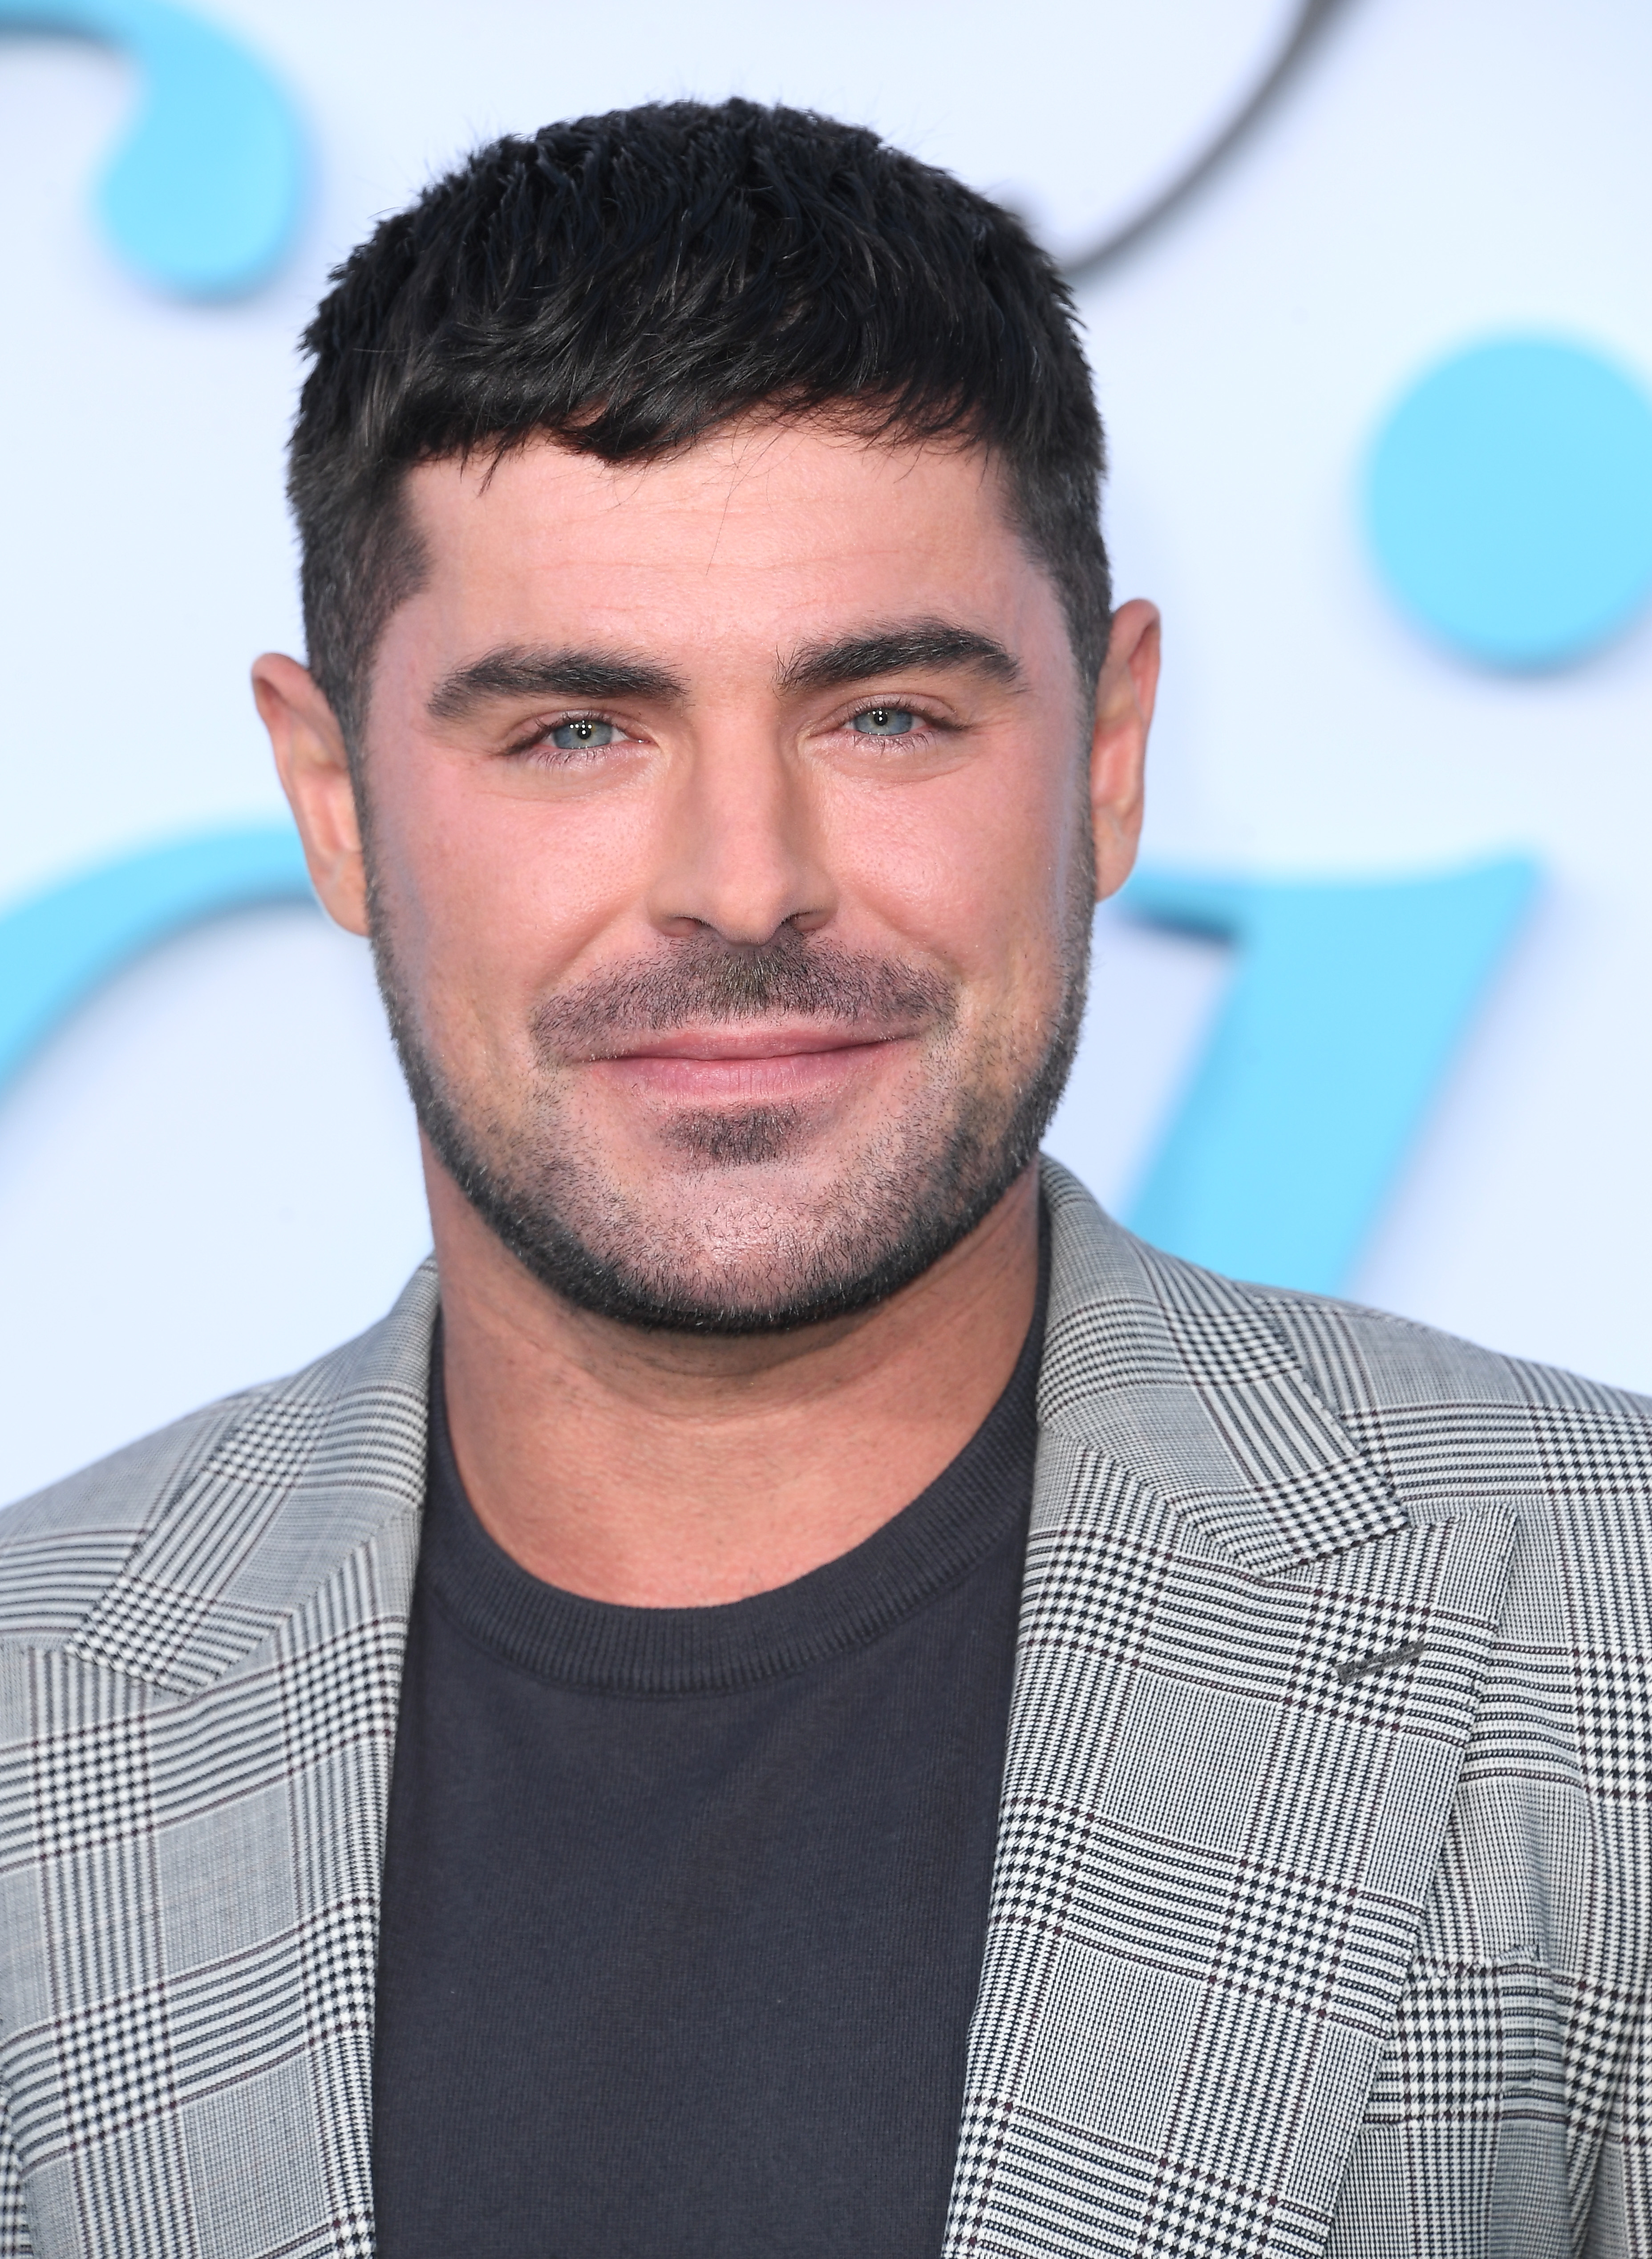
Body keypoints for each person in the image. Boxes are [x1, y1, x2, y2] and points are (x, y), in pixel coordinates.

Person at [0, 96, 1646, 2259]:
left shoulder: (1599, 1631)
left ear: (1109, 753)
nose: (743, 888)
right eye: (576, 730)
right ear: (332, 803)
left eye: (884, 714)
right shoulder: (35, 1716)